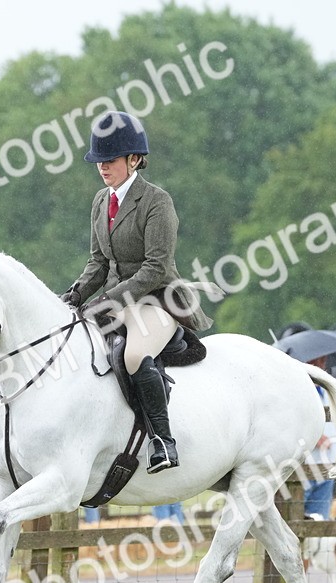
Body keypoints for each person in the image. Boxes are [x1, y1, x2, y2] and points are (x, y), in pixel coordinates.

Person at [59, 110, 215, 475]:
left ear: (133, 159)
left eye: (109, 160)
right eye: (99, 161)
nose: (102, 167)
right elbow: (98, 262)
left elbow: (155, 267)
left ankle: (163, 440)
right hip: (117, 299)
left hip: (158, 298)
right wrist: (73, 297)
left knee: (133, 355)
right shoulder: (101, 201)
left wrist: (109, 301)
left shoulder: (157, 202)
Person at [303, 355, 336, 521]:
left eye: (323, 361)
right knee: (295, 515)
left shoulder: (327, 389)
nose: (320, 365)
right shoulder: (297, 390)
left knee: (320, 519)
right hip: (303, 465)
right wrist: (316, 437)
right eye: (314, 361)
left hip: (327, 465)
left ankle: (317, 547)